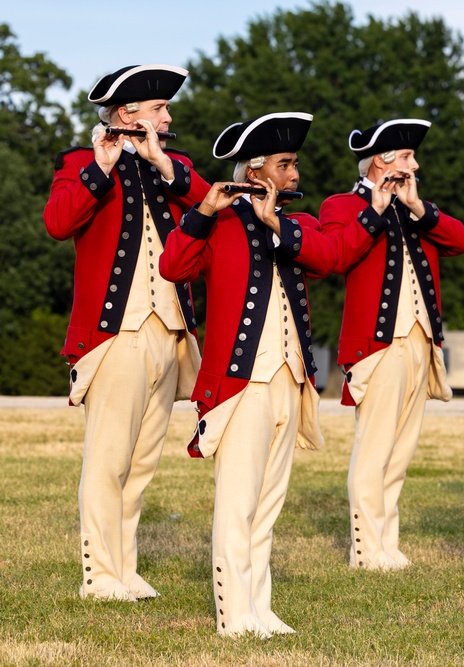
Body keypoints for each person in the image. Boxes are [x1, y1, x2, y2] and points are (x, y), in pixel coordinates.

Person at [160, 112, 333, 637]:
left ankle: (260, 605)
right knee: (239, 501)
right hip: (240, 385)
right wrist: (203, 212)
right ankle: (234, 612)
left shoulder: (297, 224)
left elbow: (329, 257)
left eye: (295, 163)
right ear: (257, 171)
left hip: (289, 378)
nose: (295, 172)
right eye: (286, 164)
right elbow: (174, 267)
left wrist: (278, 223)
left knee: (268, 503)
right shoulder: (220, 221)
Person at [42, 64, 209, 601]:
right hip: (116, 335)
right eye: (159, 108)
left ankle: (126, 568)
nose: (168, 115)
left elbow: (214, 208)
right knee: (109, 458)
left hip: (170, 331)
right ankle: (99, 575)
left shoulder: (173, 165)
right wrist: (101, 168)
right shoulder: (79, 162)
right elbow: (58, 221)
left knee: (141, 462)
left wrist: (163, 163)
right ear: (126, 114)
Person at [319, 119, 464, 571]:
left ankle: (388, 542)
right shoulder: (342, 205)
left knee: (401, 451)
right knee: (375, 449)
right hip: (377, 345)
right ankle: (366, 549)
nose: (415, 164)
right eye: (407, 157)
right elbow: (336, 255)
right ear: (381, 161)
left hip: (420, 341)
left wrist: (417, 207)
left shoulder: (418, 207)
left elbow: (459, 242)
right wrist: (375, 211)